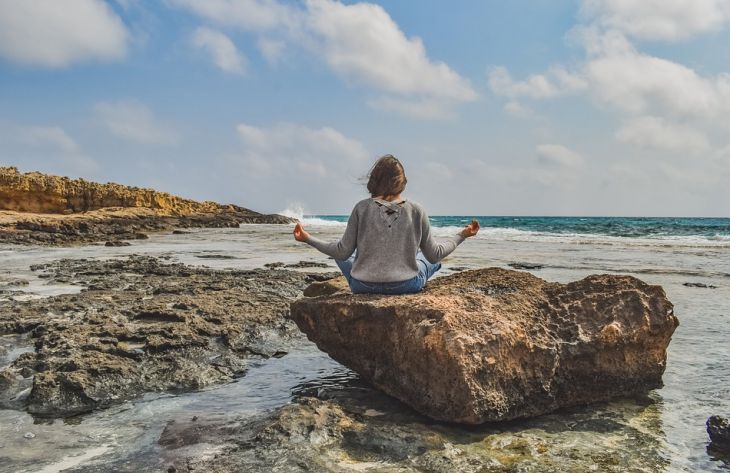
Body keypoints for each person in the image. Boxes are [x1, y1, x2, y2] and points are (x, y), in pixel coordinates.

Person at [293, 155, 479, 294]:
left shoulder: (361, 208)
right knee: (427, 257)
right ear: (402, 183)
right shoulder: (416, 210)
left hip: (362, 286)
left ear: (374, 180)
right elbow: (435, 254)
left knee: (341, 251)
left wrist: (307, 238)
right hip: (405, 285)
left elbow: (342, 252)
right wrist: (462, 235)